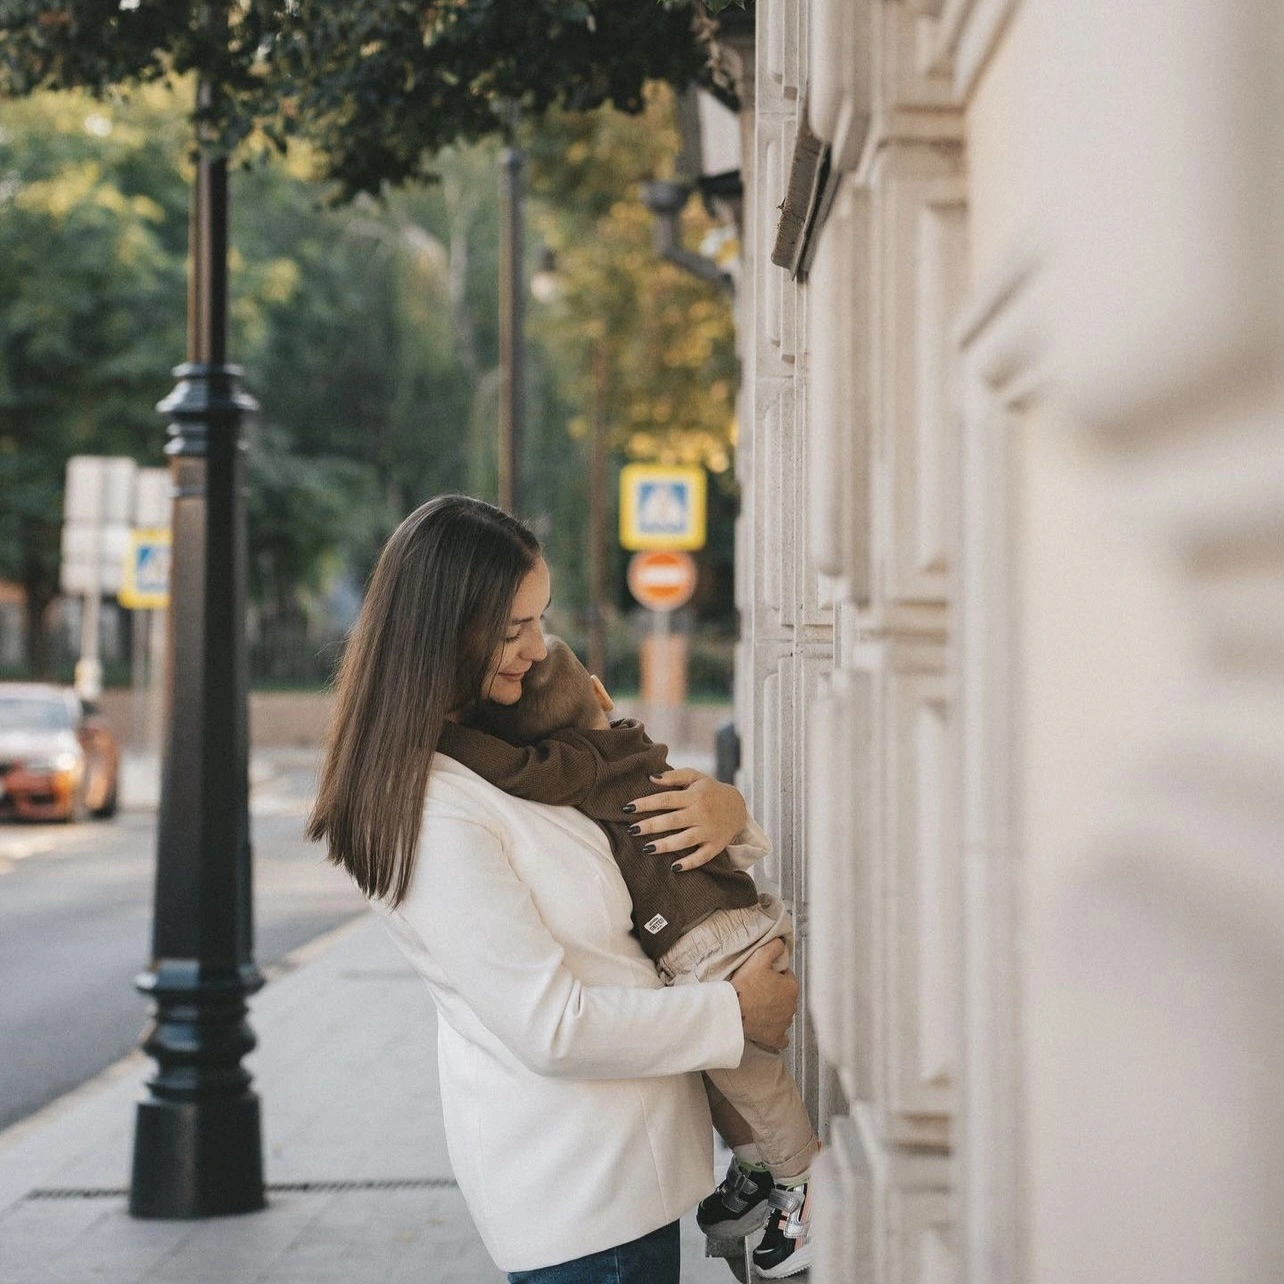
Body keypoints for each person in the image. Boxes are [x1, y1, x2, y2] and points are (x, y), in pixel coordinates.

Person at [307, 495, 800, 1284]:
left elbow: (626, 830)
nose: (538, 649)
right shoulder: (434, 807)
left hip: (627, 1178)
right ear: (444, 633)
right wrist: (735, 1014)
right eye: (512, 630)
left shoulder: (502, 745)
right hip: (581, 1196)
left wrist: (730, 814)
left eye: (539, 620)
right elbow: (553, 1028)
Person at [439, 636, 819, 1279]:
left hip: (714, 946)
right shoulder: (628, 745)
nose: (528, 641)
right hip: (590, 1173)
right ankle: (762, 1166)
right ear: (601, 694)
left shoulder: (580, 767)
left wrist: (451, 740)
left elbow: (518, 771)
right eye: (514, 630)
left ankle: (803, 1182)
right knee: (732, 1073)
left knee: (753, 1080)